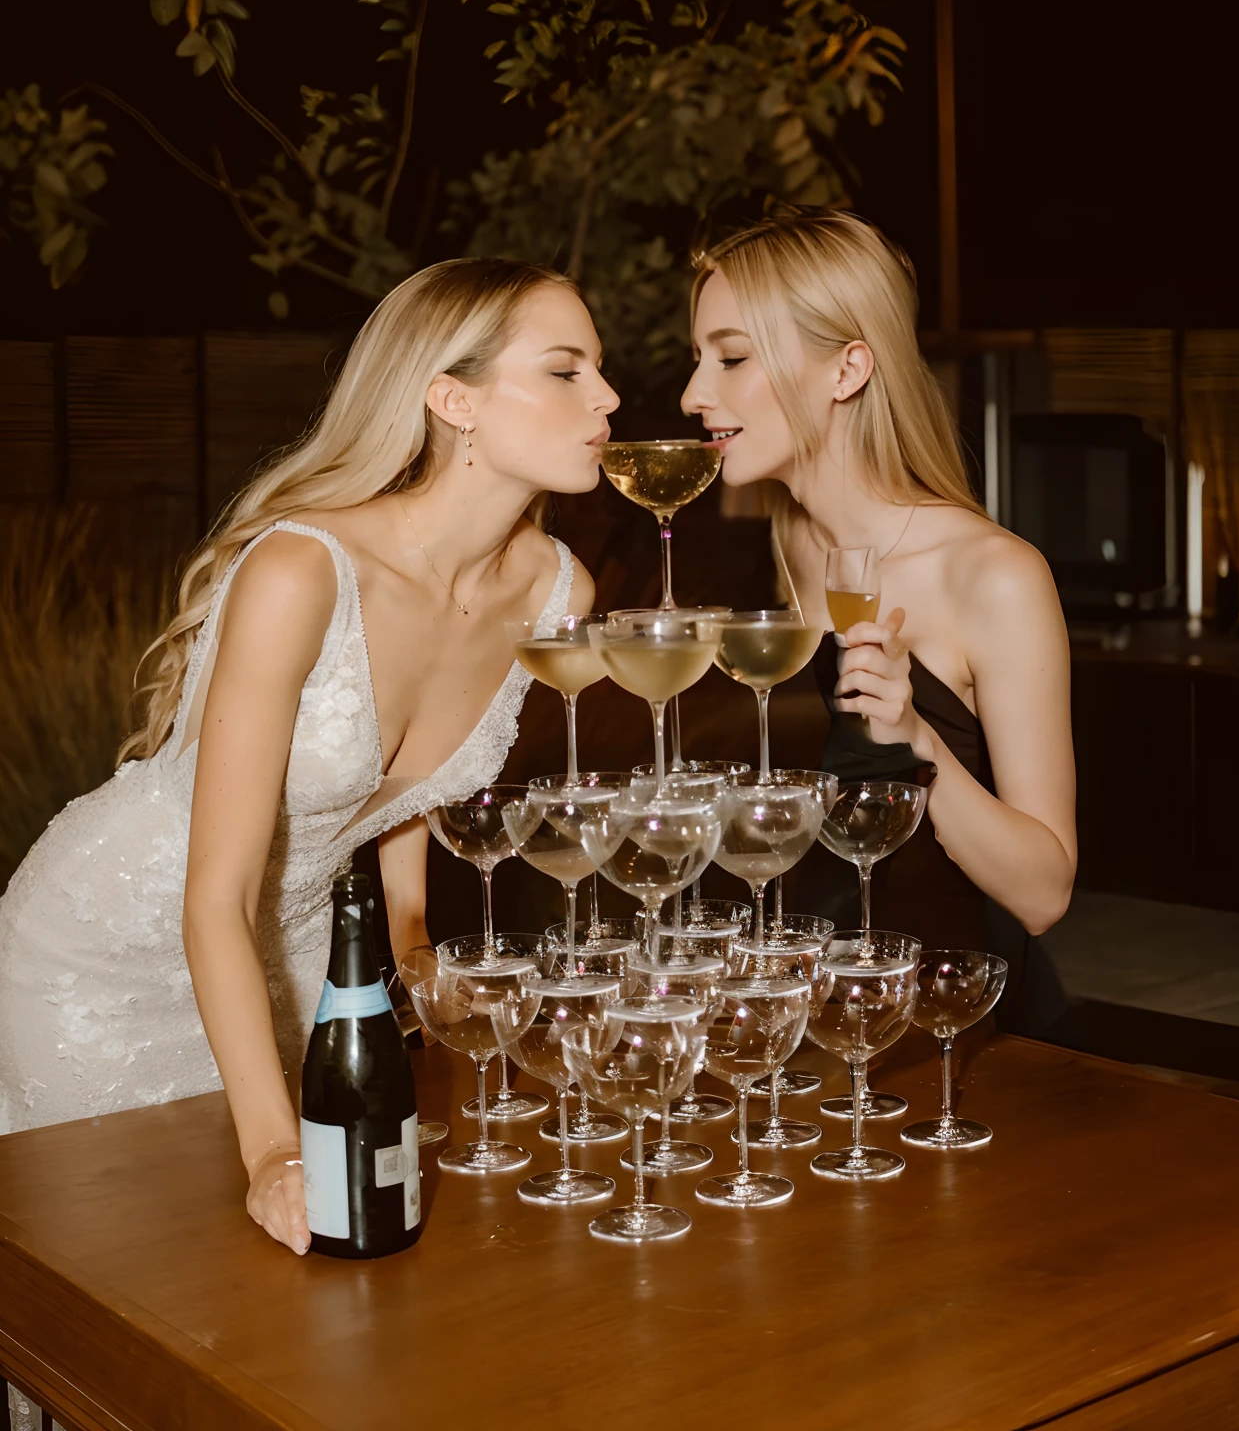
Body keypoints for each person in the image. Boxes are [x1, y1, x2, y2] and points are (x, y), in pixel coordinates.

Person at [0, 258, 617, 1255]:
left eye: (602, 369)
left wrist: (414, 949)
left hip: (295, 970)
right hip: (105, 958)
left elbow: (405, 793)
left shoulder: (555, 593)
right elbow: (216, 895)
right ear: (451, 398)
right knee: (127, 1277)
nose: (609, 396)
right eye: (566, 370)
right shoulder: (300, 571)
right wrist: (270, 1154)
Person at [682, 209, 1075, 1013]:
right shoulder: (790, 551)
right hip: (808, 1019)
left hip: (956, 1031)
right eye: (698, 359)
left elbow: (1044, 892)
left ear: (847, 369)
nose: (694, 394)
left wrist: (918, 740)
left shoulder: (994, 575)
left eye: (731, 358)